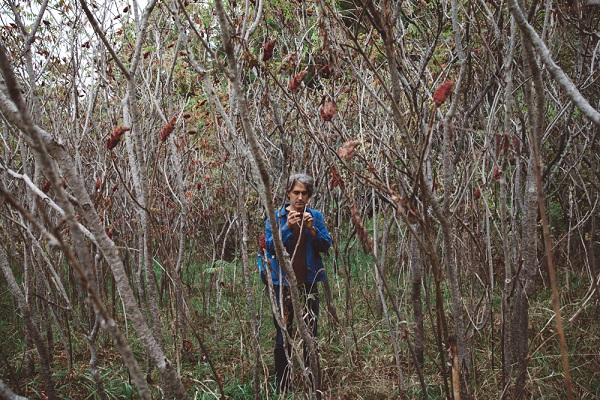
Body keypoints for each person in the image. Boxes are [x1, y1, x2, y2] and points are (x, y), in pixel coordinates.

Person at [264, 173, 332, 393]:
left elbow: (325, 245)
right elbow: (271, 247)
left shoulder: (315, 216)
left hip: (309, 285)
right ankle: (283, 387)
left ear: (309, 195)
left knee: (310, 335)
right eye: (296, 192)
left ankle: (312, 383)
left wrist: (312, 230)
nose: (300, 197)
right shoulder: (275, 218)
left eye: (304, 193)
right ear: (288, 193)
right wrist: (286, 229)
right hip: (282, 285)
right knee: (283, 334)